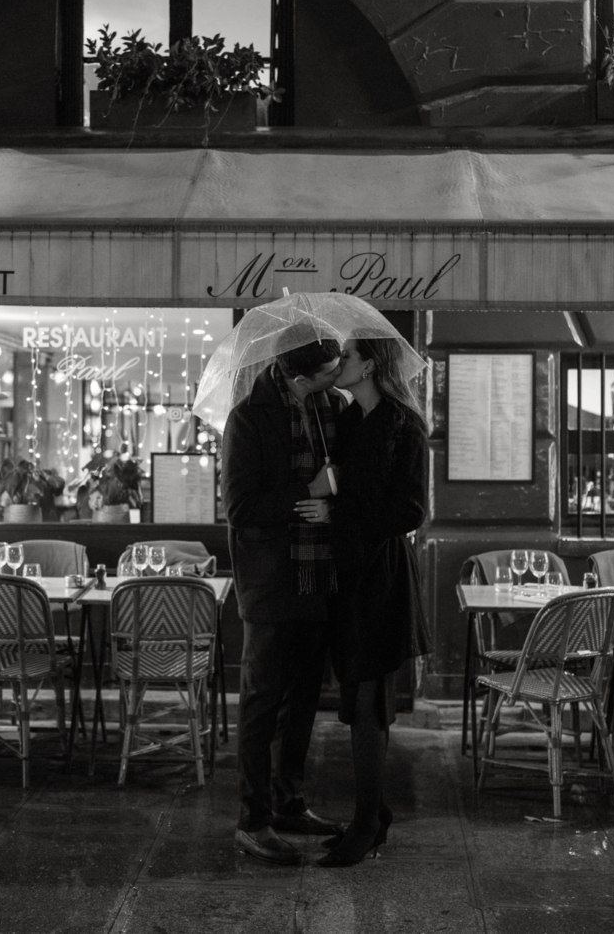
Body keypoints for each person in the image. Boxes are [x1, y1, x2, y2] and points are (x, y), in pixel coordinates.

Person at [295, 335, 431, 867]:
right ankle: (374, 813)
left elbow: (410, 512)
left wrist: (338, 515)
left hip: (381, 578)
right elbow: (348, 487)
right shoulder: (351, 420)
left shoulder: (404, 425)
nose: (339, 364)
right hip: (348, 574)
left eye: (347, 358)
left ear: (370, 365)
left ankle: (368, 820)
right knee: (357, 697)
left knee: (370, 702)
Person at [222, 337, 347, 865]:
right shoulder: (248, 418)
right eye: (329, 370)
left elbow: (347, 481)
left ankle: (289, 800)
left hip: (319, 574)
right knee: (261, 702)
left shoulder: (333, 407)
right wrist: (310, 493)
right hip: (271, 578)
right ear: (301, 378)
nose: (338, 374)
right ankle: (253, 819)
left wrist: (335, 499)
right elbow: (241, 506)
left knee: (302, 699)